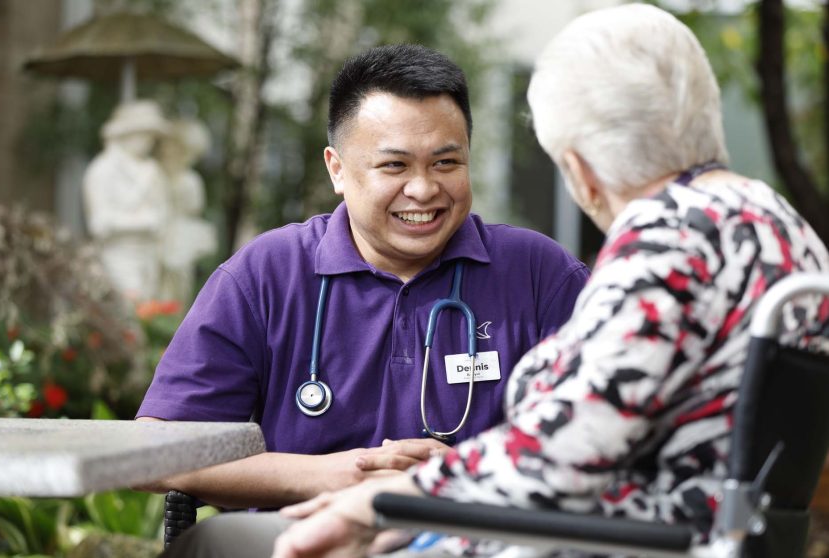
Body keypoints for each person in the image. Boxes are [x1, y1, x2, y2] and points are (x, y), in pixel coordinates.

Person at [265, 5, 829, 558]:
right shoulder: (779, 224)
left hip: (622, 541)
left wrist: (378, 503)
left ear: (581, 171)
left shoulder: (670, 243)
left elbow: (560, 454)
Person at [138, 43, 588, 524]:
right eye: (395, 165)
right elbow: (156, 449)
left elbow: (604, 437)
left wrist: (465, 475)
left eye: (446, 163)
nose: (423, 189)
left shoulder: (539, 274)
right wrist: (332, 476)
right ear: (337, 169)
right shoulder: (267, 274)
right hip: (300, 539)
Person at [83, 100, 170, 301]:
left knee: (150, 310)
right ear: (125, 133)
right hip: (118, 257)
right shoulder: (102, 170)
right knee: (126, 309)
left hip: (149, 257)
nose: (148, 141)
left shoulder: (152, 170)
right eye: (143, 134)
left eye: (151, 136)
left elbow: (163, 210)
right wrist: (143, 222)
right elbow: (99, 223)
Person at [157, 117, 217, 306]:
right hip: (158, 232)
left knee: (177, 287)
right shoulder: (156, 173)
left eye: (174, 147)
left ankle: (170, 319)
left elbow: (194, 208)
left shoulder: (190, 180)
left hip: (179, 236)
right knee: (157, 286)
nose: (168, 151)